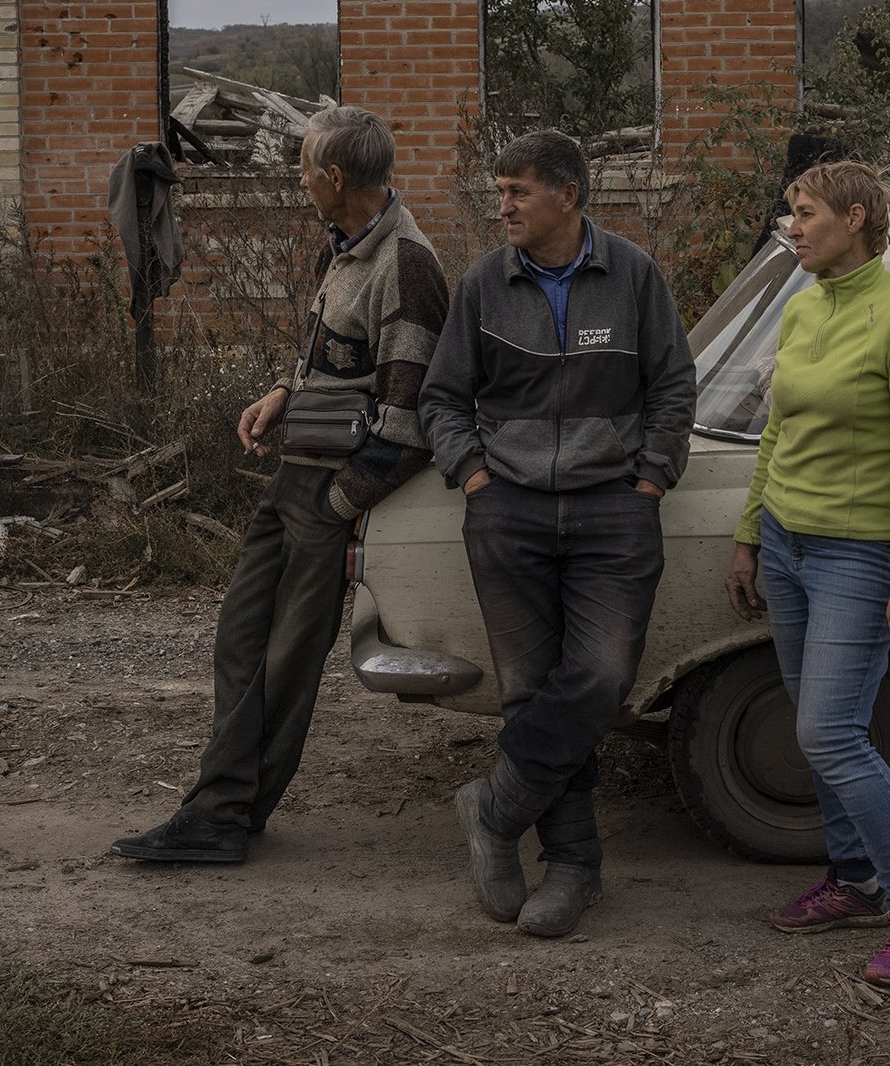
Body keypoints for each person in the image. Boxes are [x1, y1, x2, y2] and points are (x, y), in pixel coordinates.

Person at [112, 105, 448, 864]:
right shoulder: (347, 246)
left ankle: (222, 817)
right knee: (240, 639)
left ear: (335, 177)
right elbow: (339, 363)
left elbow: (410, 421)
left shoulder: (407, 265)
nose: (298, 180)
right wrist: (284, 394)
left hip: (331, 494)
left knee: (286, 662)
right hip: (293, 477)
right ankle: (224, 806)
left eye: (303, 167)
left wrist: (336, 508)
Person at [420, 129, 697, 938]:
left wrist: (649, 479)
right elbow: (442, 396)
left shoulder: (634, 275)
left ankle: (495, 808)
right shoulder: (482, 285)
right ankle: (574, 865)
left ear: (567, 196)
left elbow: (674, 385)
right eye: (499, 190)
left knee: (601, 679)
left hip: (615, 508)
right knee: (529, 691)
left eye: (517, 191)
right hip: (508, 511)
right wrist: (474, 476)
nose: (501, 204)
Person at [723, 160, 890, 988]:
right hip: (787, 546)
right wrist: (752, 535)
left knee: (828, 733)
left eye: (807, 212)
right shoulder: (800, 308)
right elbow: (775, 433)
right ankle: (855, 880)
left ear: (856, 218)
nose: (793, 226)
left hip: (858, 555)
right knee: (819, 728)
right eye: (791, 211)